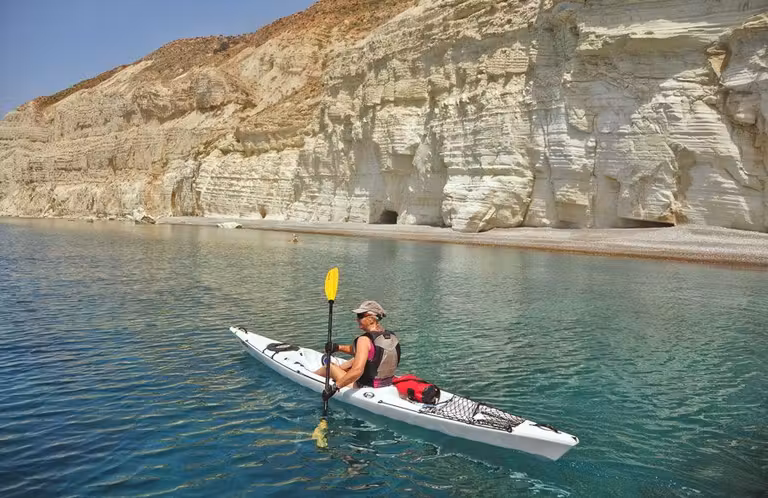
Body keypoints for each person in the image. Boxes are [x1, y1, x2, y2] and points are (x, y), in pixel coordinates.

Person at [315, 300, 401, 401]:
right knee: (353, 360)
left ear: (371, 319)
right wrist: (337, 347)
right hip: (387, 384)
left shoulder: (364, 340)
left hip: (365, 387)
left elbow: (357, 371)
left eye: (360, 316)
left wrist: (334, 387)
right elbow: (367, 351)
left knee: (330, 368)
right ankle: (340, 369)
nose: (357, 320)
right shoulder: (391, 336)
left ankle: (311, 375)